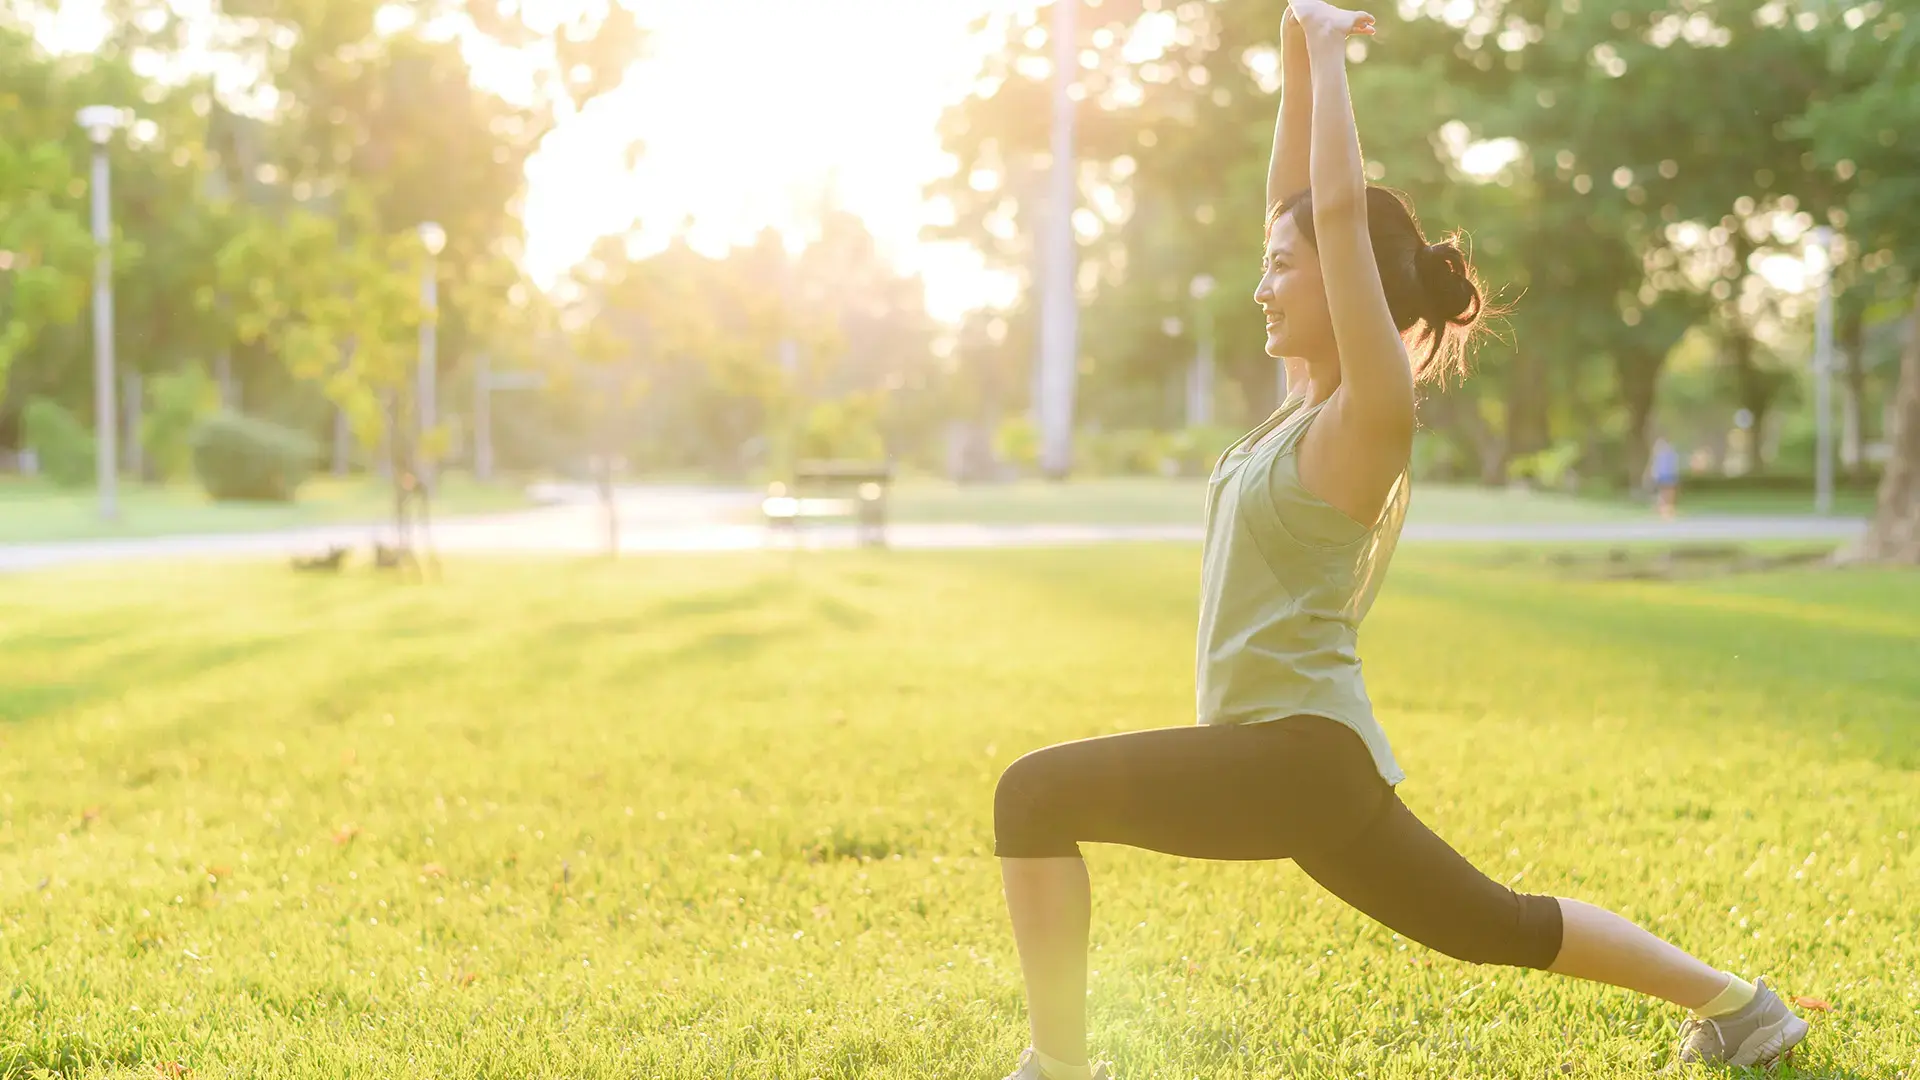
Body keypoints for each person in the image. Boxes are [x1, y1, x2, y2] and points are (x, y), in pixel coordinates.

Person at [990, 4, 1810, 1078]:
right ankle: (1742, 1008)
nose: (1262, 283)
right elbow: (1301, 203)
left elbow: (1333, 210)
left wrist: (1329, 56)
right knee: (1498, 927)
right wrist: (1290, 55)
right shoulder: (1302, 402)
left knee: (1033, 793)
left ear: (1344, 282)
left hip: (1296, 755)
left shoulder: (1367, 418)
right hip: (1296, 762)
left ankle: (1059, 1068)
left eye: (1285, 267)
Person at [1650, 436, 1682, 518]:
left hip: (1669, 475)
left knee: (1670, 493)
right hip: (1664, 475)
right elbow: (1656, 466)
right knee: (1665, 493)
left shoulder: (1669, 453)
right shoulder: (1660, 455)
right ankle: (1663, 510)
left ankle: (1668, 509)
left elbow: (1673, 465)